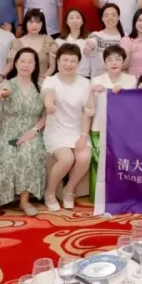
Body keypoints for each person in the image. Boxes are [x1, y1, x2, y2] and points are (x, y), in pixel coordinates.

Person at [0, 48, 46, 217]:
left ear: (35, 65)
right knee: (7, 156)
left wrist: (34, 130)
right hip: (8, 130)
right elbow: (2, 92)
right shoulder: (8, 84)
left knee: (29, 153)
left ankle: (24, 201)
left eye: (30, 62)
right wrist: (0, 92)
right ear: (15, 63)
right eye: (22, 61)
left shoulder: (42, 86)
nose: (26, 65)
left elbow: (46, 115)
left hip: (32, 130)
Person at [42, 44, 94, 211]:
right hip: (56, 131)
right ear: (58, 61)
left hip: (77, 130)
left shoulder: (85, 83)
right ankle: (50, 193)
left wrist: (83, 135)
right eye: (65, 60)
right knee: (67, 158)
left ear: (78, 64)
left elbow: (87, 112)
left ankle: (69, 190)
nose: (68, 64)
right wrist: (49, 104)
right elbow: (48, 95)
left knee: (84, 157)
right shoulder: (50, 80)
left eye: (73, 60)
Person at [89, 45, 137, 192]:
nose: (114, 62)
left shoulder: (131, 80)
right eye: (109, 59)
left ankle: (123, 193)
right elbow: (90, 110)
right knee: (100, 164)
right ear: (104, 63)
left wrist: (123, 94)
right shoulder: (96, 80)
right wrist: (92, 91)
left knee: (122, 164)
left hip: (123, 132)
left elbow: (133, 108)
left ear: (123, 62)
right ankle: (99, 196)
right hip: (100, 128)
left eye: (118, 59)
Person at [5, 9, 58, 81]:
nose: (34, 25)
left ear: (43, 24)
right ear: (25, 23)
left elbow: (52, 67)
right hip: (21, 82)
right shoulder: (16, 43)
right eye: (31, 22)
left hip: (42, 82)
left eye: (38, 22)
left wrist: (43, 79)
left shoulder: (49, 41)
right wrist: (1, 75)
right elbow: (11, 64)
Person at [85, 3, 124, 78]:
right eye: (106, 15)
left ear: (118, 17)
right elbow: (92, 43)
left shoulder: (124, 37)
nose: (110, 18)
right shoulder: (97, 35)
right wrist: (89, 46)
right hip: (99, 80)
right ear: (102, 18)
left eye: (113, 15)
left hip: (118, 79)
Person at [120, 9, 142, 78]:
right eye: (139, 20)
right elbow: (123, 66)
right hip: (131, 81)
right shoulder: (126, 40)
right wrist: (129, 51)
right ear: (134, 22)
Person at [59, 9, 91, 78]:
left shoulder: (90, 39)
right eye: (71, 18)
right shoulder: (59, 41)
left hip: (84, 76)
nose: (75, 20)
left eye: (78, 18)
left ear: (82, 21)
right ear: (66, 22)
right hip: (65, 76)